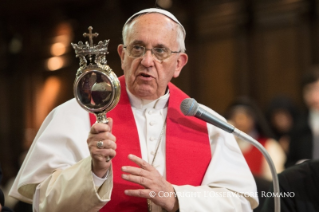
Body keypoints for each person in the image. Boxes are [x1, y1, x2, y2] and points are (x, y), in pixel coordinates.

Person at [9, 8, 258, 211]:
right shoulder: (76, 113)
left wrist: (176, 197)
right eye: (137, 48)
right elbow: (42, 201)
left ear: (179, 63)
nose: (147, 61)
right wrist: (92, 172)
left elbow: (241, 200)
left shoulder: (205, 121)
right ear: (122, 54)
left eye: (160, 51)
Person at [225, 97, 286, 181]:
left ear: (252, 119)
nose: (238, 121)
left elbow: (274, 181)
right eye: (234, 117)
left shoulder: (269, 146)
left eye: (241, 117)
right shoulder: (225, 145)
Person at [286, 67, 319, 167]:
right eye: (309, 91)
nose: (314, 97)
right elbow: (289, 162)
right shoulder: (298, 125)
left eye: (317, 89)